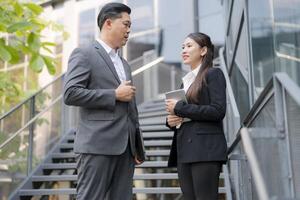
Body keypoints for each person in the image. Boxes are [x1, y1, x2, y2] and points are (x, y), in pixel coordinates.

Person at [63, 3, 144, 200]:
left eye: (129, 25)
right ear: (108, 23)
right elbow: (71, 93)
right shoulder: (84, 53)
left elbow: (130, 108)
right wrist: (113, 95)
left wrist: (136, 146)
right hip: (96, 146)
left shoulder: (124, 64)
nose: (129, 30)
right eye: (125, 24)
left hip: (125, 150)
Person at [165, 32, 227, 200]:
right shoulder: (185, 82)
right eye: (182, 47)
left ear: (203, 50)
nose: (184, 50)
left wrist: (180, 108)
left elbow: (218, 111)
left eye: (189, 46)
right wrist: (171, 121)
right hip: (184, 150)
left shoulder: (213, 74)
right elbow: (183, 114)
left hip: (205, 150)